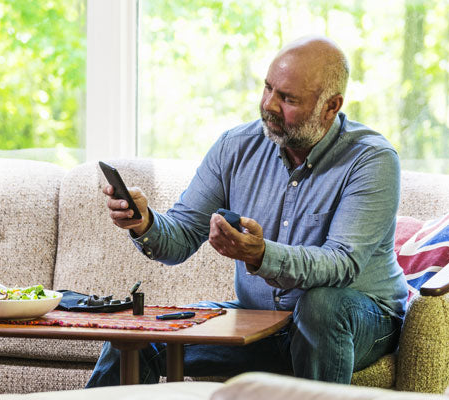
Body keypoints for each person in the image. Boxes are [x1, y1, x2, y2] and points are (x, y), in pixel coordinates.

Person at [86, 35, 408, 387]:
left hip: (360, 318)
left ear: (331, 107)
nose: (269, 105)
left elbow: (342, 264)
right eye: (268, 88)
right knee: (133, 339)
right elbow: (179, 237)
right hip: (264, 320)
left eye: (287, 98)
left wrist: (262, 255)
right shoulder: (236, 146)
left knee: (321, 307)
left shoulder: (371, 159)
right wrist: (144, 222)